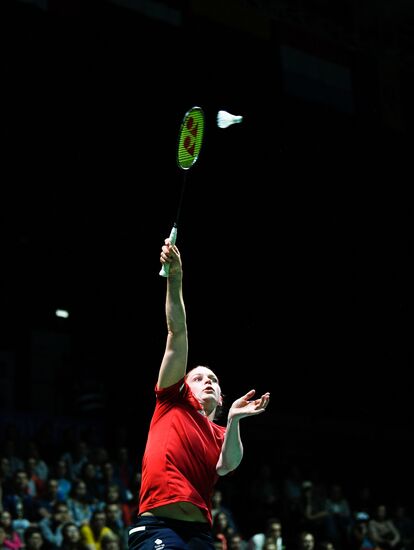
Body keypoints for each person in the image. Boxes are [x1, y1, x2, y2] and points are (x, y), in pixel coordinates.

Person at [128, 237, 271, 549]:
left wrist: (233, 420)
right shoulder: (170, 401)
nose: (208, 381)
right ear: (182, 385)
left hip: (200, 536)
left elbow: (226, 465)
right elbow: (176, 332)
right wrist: (175, 277)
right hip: (158, 527)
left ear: (221, 398)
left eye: (214, 380)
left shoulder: (221, 434)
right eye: (199, 377)